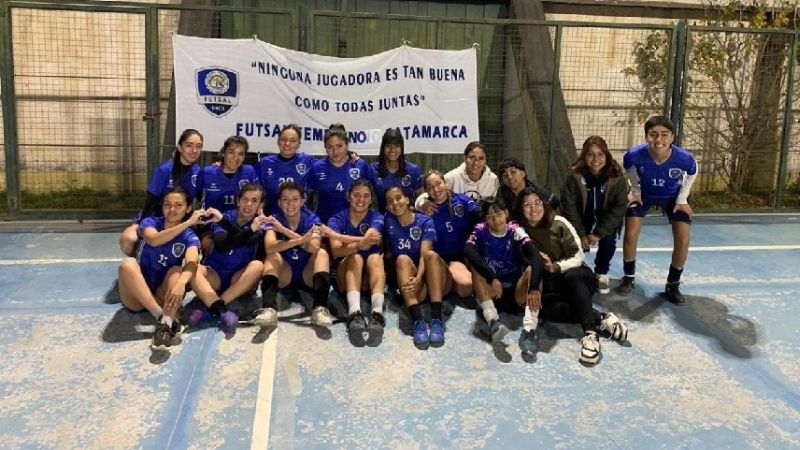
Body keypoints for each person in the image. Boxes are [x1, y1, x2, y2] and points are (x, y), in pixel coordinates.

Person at [515, 187, 628, 364]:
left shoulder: (559, 223)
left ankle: (590, 335)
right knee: (543, 307)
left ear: (544, 204)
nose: (533, 208)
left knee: (572, 277)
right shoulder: (519, 231)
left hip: (577, 278)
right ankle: (601, 318)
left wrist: (555, 266)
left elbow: (578, 256)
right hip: (550, 284)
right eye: (527, 205)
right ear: (520, 208)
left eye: (537, 203)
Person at [619, 116, 698, 305]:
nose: (659, 140)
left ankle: (673, 284)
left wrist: (682, 198)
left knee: (683, 239)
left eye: (664, 135)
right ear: (646, 136)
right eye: (653, 134)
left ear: (672, 137)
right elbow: (628, 167)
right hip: (644, 195)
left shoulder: (684, 158)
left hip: (672, 197)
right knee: (630, 234)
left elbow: (693, 171)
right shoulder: (634, 154)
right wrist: (635, 190)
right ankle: (628, 278)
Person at [117, 187, 205, 349]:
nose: (172, 209)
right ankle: (161, 317)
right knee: (127, 264)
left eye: (178, 205)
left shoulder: (189, 236)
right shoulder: (150, 222)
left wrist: (181, 284)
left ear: (188, 208)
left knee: (178, 272)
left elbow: (192, 261)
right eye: (167, 205)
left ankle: (165, 326)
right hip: (136, 295)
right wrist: (187, 223)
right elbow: (154, 240)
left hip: (161, 293)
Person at [463, 197, 544, 354]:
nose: (495, 219)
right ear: (485, 219)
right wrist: (491, 277)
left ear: (506, 213)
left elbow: (536, 256)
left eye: (499, 213)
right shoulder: (480, 230)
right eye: (490, 216)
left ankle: (529, 330)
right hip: (491, 292)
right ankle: (493, 321)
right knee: (475, 267)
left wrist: (534, 287)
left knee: (531, 270)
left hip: (515, 292)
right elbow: (467, 250)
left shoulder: (515, 230)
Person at [188, 184, 266, 334]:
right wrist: (248, 230)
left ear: (260, 205)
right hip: (214, 274)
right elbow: (221, 244)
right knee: (193, 268)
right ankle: (221, 310)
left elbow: (250, 240)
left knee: (257, 266)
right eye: (245, 199)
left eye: (254, 200)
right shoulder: (226, 216)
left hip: (238, 279)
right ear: (238, 201)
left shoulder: (260, 224)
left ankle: (210, 307)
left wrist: (249, 230)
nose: (248, 204)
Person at [560, 136, 629, 294]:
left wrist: (599, 233)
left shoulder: (617, 177)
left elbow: (618, 209)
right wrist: (581, 233)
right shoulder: (574, 176)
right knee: (575, 244)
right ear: (584, 157)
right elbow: (569, 207)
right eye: (590, 154)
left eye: (601, 154)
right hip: (581, 218)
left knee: (608, 242)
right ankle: (577, 269)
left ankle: (601, 272)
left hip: (605, 221)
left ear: (607, 155)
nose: (596, 159)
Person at [119, 129, 204, 257]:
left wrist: (218, 170)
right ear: (180, 147)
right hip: (157, 218)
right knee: (128, 240)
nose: (194, 150)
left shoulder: (199, 172)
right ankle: (140, 262)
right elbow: (150, 202)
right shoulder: (164, 170)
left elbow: (204, 199)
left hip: (182, 221)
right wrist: (141, 226)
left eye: (198, 146)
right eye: (189, 145)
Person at [261, 181, 333, 327]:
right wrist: (300, 239)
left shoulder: (313, 219)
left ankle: (319, 309)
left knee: (322, 254)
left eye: (295, 199)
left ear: (302, 201)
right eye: (285, 200)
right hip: (285, 273)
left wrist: (285, 232)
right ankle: (269, 309)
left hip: (307, 273)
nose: (290, 204)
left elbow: (313, 248)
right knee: (271, 256)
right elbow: (269, 247)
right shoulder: (274, 220)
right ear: (279, 203)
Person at [325, 179, 387, 346]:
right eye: (357, 195)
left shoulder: (377, 217)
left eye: (366, 196)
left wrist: (341, 238)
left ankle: (377, 314)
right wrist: (360, 244)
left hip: (369, 281)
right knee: (357, 256)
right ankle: (354, 313)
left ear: (371, 198)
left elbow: (373, 238)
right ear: (348, 197)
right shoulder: (337, 219)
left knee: (375, 257)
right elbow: (337, 250)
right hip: (345, 277)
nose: (361, 199)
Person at [383, 186, 442, 348]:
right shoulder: (388, 221)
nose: (395, 203)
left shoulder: (424, 221)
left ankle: (437, 319)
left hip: (434, 278)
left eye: (398, 198)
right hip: (413, 285)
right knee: (401, 259)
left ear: (407, 199)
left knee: (431, 256)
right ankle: (418, 321)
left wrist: (419, 278)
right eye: (390, 201)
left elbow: (425, 254)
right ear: (387, 207)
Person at [420, 170, 480, 311]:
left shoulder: (462, 200)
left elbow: (480, 214)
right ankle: (444, 278)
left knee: (465, 288)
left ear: (445, 183)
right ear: (426, 191)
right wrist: (421, 203)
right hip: (438, 258)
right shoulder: (425, 210)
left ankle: (452, 277)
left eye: (438, 183)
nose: (435, 189)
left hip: (459, 256)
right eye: (430, 187)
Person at [198, 135, 259, 254]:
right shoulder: (207, 173)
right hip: (212, 224)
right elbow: (197, 196)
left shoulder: (249, 172)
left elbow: (258, 197)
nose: (236, 157)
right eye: (231, 152)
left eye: (241, 154)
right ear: (223, 153)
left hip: (241, 223)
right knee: (211, 246)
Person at [305, 124, 375, 223]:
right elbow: (304, 196)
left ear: (347, 145)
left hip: (354, 226)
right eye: (330, 147)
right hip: (324, 225)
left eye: (339, 146)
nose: (335, 151)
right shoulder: (317, 167)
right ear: (325, 147)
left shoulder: (360, 166)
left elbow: (371, 198)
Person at [415, 141, 499, 210]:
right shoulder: (451, 177)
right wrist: (423, 203)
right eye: (472, 157)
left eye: (481, 158)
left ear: (485, 160)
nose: (476, 162)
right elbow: (429, 193)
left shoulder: (493, 180)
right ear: (465, 158)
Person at [256, 124, 317, 216]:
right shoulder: (264, 163)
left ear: (299, 144)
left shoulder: (308, 161)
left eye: (293, 141)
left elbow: (328, 166)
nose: (287, 143)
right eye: (283, 139)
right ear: (278, 141)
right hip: (271, 218)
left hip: (300, 220)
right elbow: (254, 192)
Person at [372, 128, 424, 212]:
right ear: (382, 148)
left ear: (401, 148)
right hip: (383, 219)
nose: (392, 150)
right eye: (388, 146)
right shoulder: (373, 170)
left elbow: (421, 198)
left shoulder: (413, 170)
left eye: (396, 146)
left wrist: (422, 204)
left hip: (408, 218)